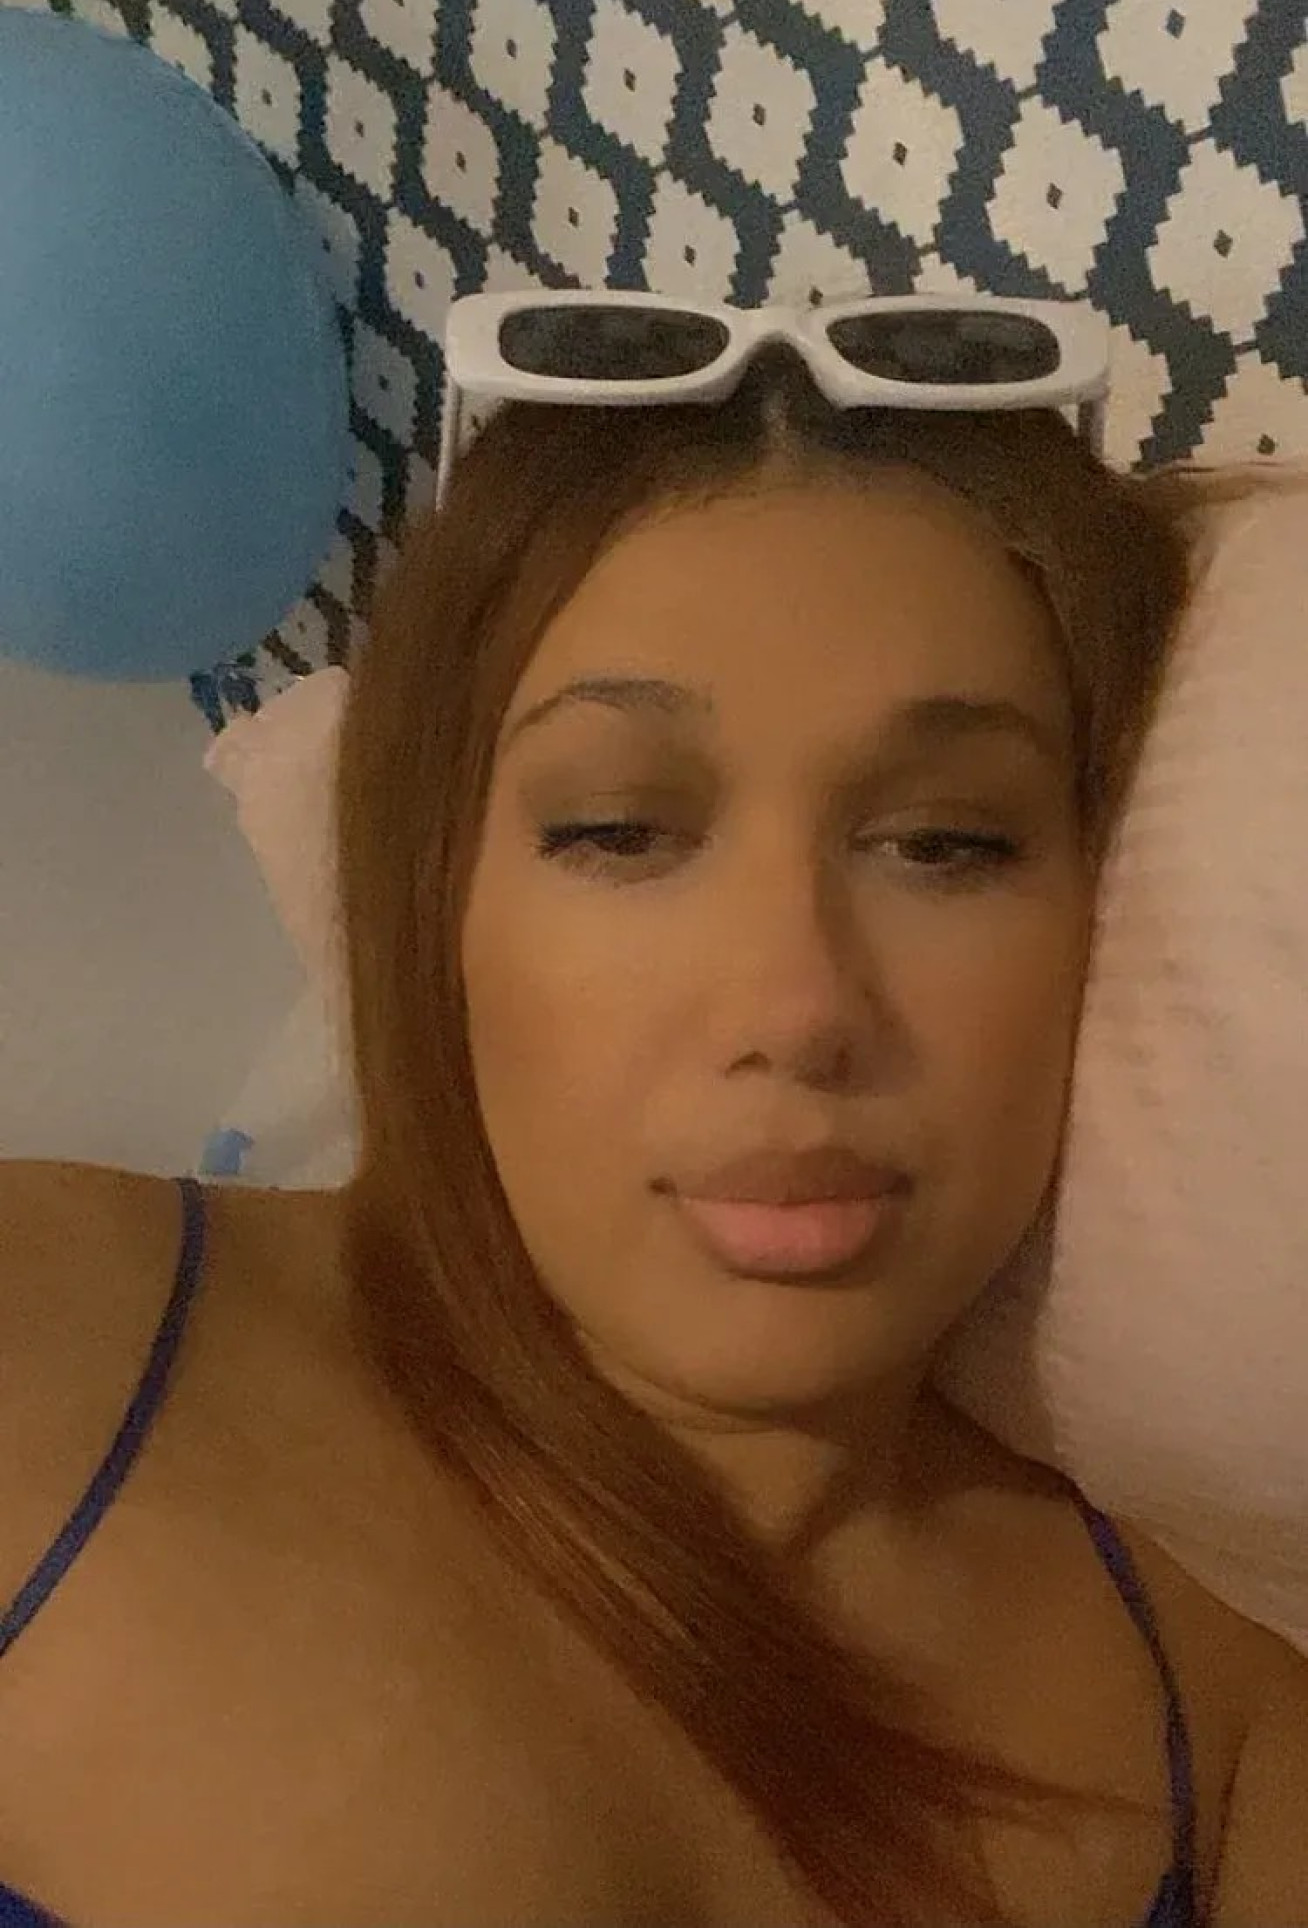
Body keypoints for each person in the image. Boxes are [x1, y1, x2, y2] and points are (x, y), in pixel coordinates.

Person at [1, 300, 1307, 1928]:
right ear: (435, 905)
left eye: (947, 844)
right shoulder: (55, 1338)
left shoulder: (1228, 1723)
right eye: (620, 830)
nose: (798, 1008)